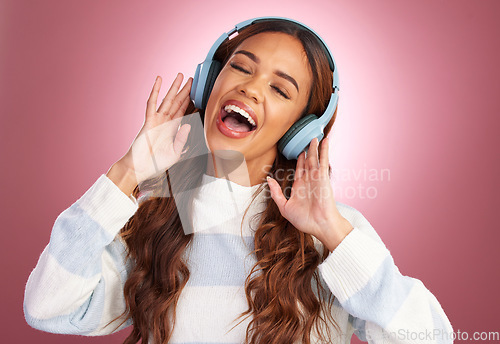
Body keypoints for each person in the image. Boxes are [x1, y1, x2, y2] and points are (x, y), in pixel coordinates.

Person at [24, 17, 454, 344]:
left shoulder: (334, 236)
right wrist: (128, 171)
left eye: (280, 90)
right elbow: (48, 308)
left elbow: (430, 337)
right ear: (211, 82)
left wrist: (334, 232)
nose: (250, 88)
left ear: (301, 129)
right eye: (241, 68)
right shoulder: (150, 216)